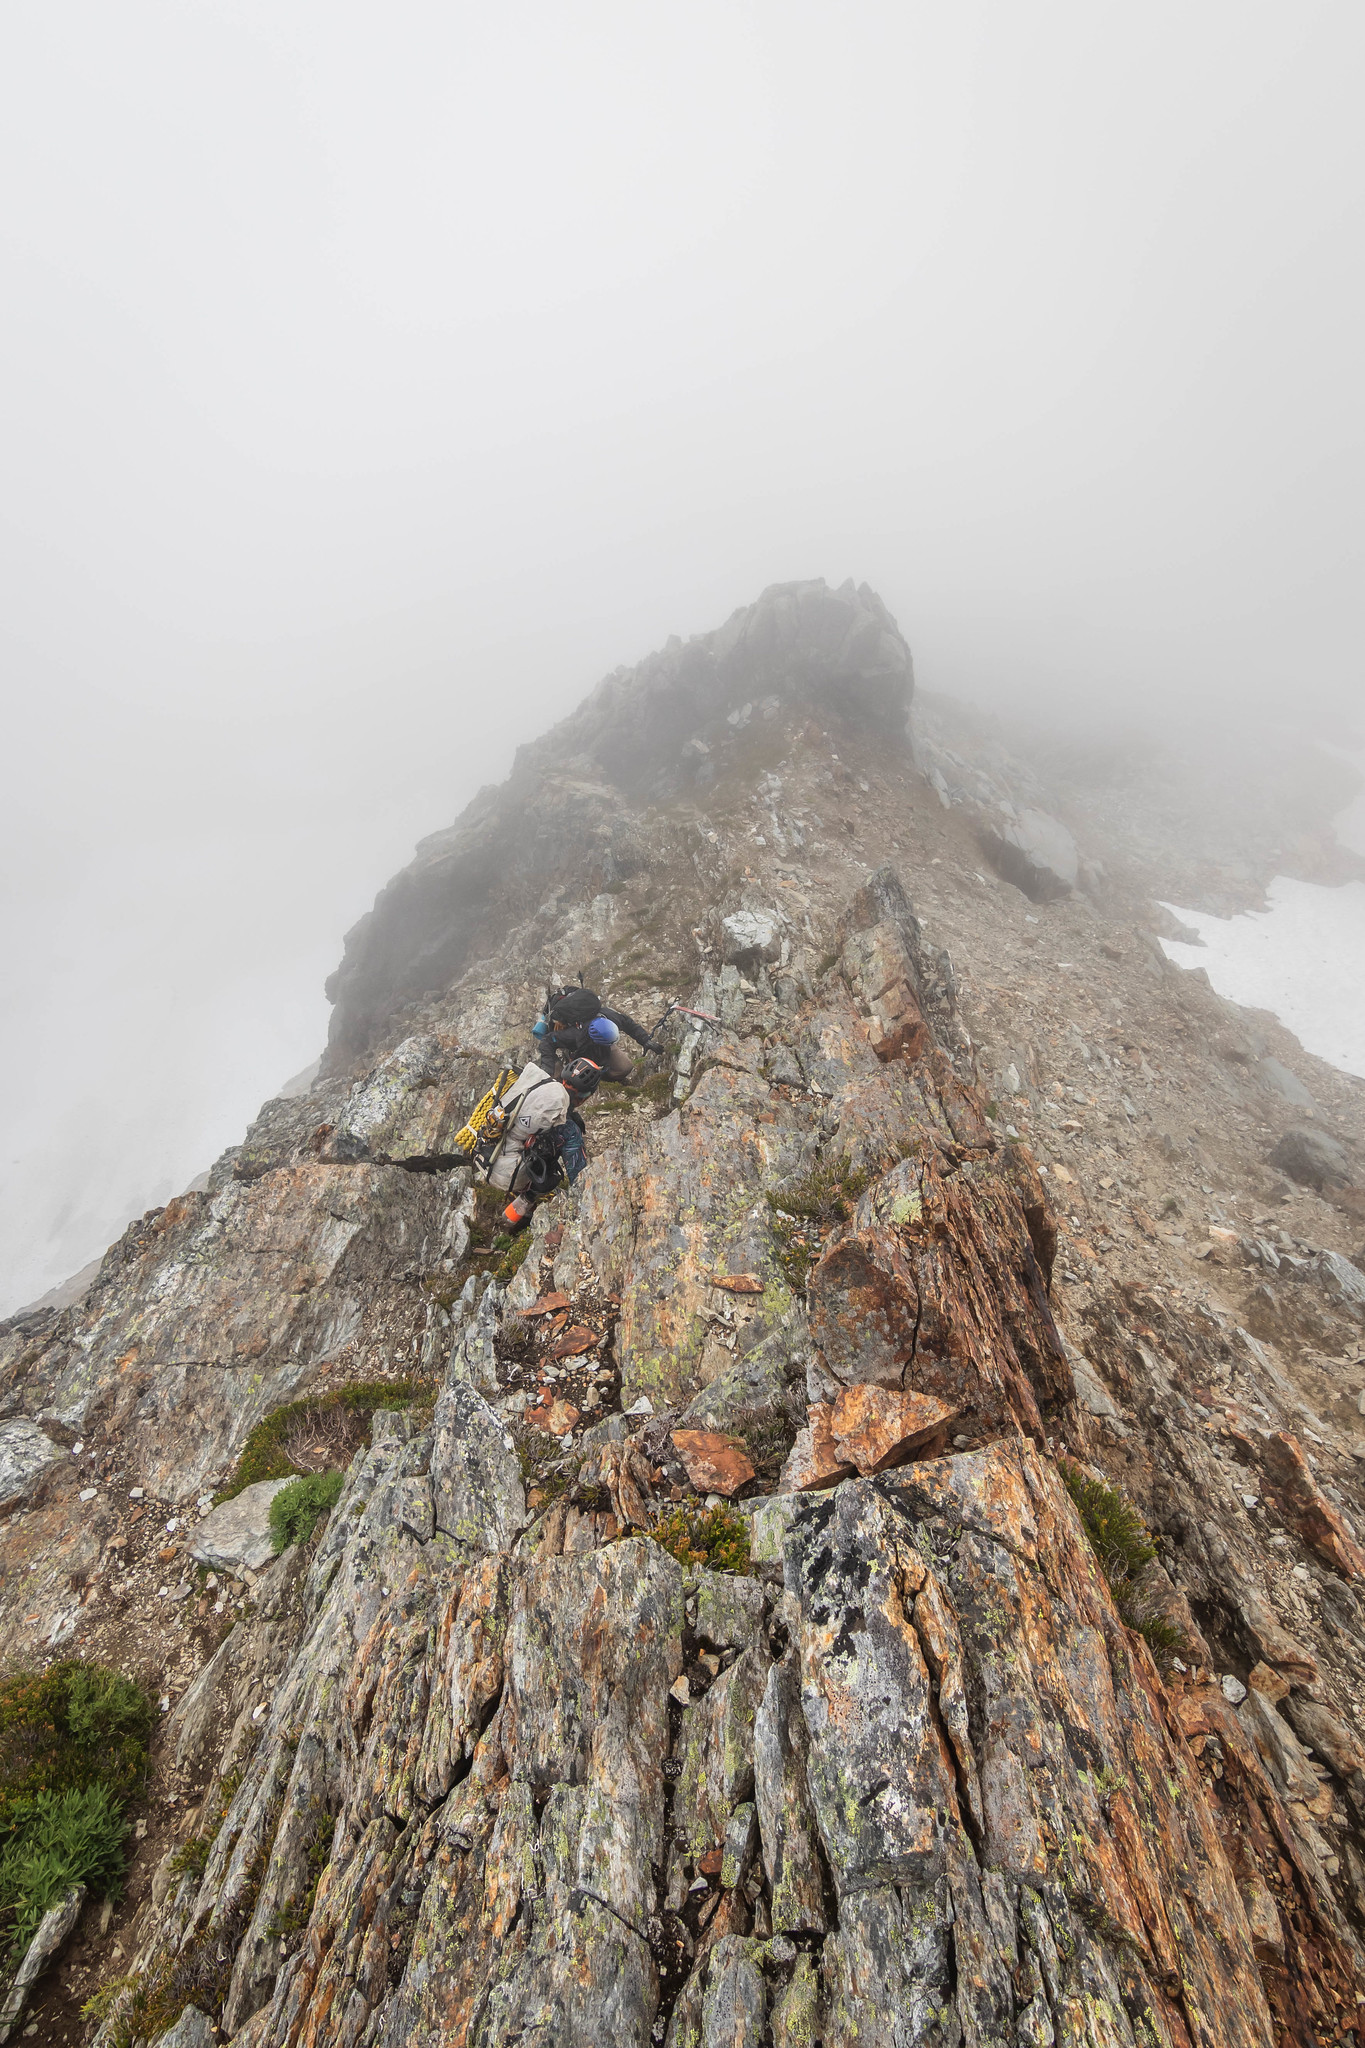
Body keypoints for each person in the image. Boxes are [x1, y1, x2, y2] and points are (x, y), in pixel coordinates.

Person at [492, 1056, 600, 1232]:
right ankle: (523, 1208)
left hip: (492, 1155)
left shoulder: (542, 1089)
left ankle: (515, 1214)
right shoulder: (567, 1126)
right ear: (584, 1097)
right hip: (508, 1173)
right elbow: (578, 1176)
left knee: (544, 1148)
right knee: (549, 1176)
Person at [533, 989, 658, 1082]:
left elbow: (629, 1024)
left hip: (598, 1043)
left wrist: (645, 1040)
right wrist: (548, 1067)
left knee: (624, 1067)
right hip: (578, 1047)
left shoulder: (610, 1017)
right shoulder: (573, 1034)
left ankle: (597, 1078)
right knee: (558, 1080)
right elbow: (547, 1041)